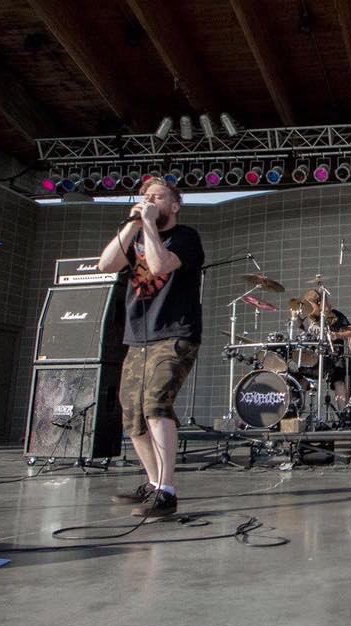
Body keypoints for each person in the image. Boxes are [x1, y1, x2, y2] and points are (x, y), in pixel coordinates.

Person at [98, 177, 204, 518]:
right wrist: (133, 225)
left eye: (156, 196)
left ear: (174, 205)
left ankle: (167, 491)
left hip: (175, 333)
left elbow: (158, 266)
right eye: (145, 196)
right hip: (138, 337)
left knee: (156, 403)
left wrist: (147, 224)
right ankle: (154, 481)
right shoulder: (136, 236)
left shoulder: (186, 237)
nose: (148, 200)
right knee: (132, 412)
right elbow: (106, 265)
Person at [297, 288, 351, 415]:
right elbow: (299, 331)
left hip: (332, 356)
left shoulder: (334, 316)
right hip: (313, 355)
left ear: (320, 303)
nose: (309, 309)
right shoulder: (308, 317)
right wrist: (294, 317)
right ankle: (297, 412)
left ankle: (344, 416)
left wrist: (337, 335)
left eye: (311, 305)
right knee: (301, 379)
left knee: (339, 381)